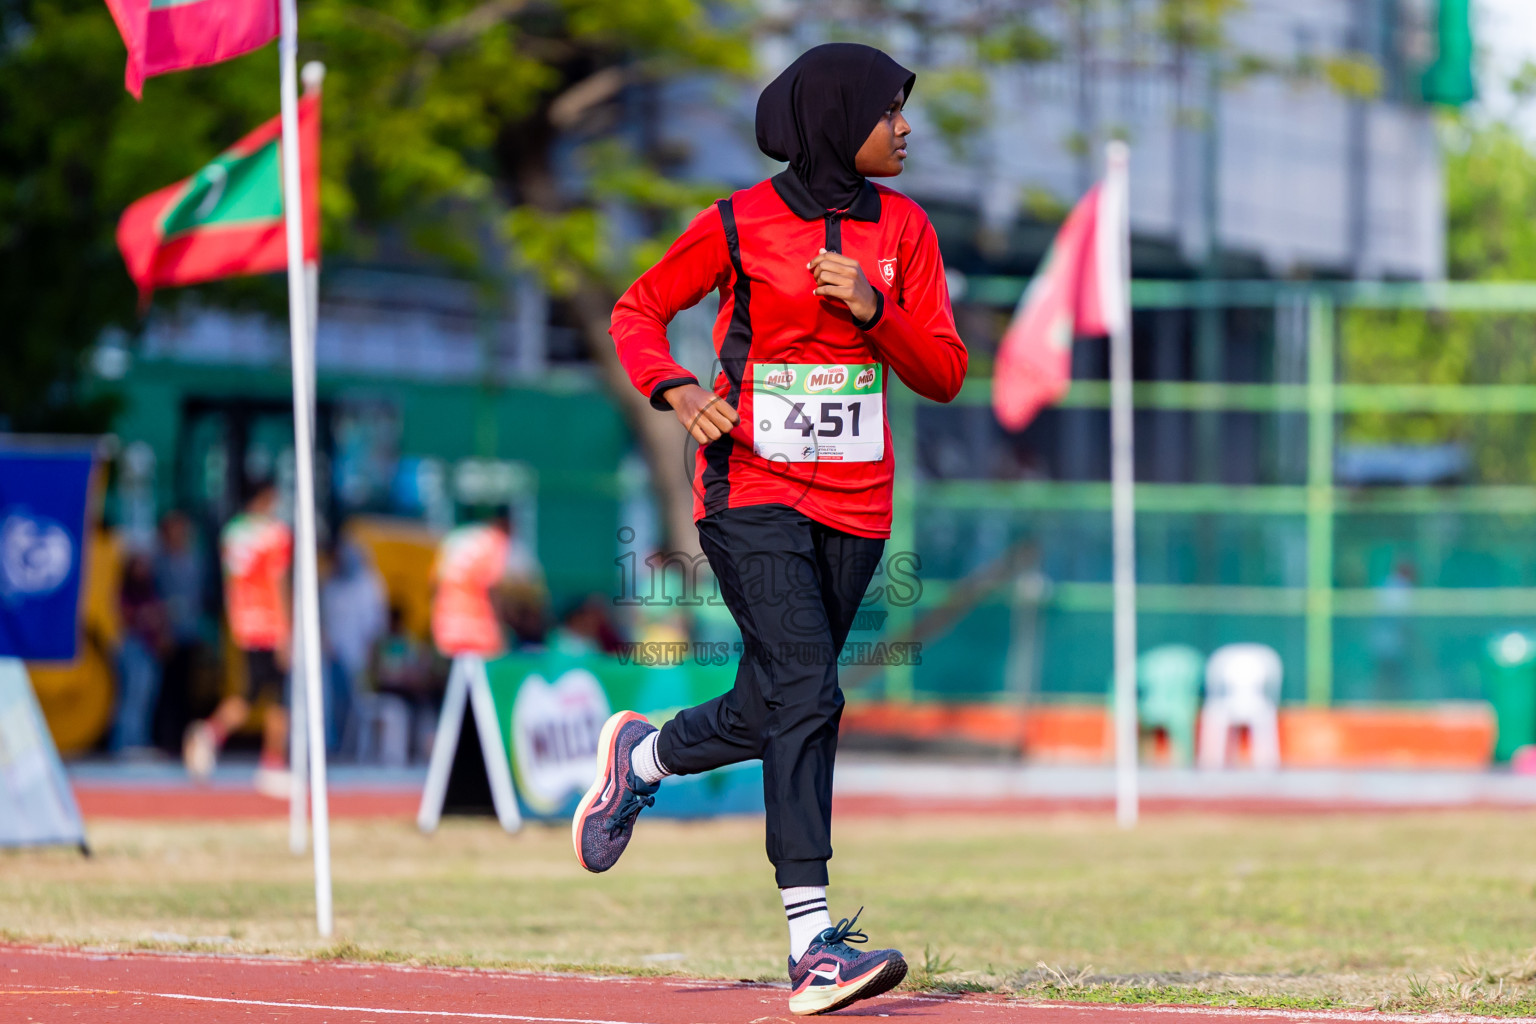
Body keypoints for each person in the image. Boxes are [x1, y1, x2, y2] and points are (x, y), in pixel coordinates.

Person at [577, 44, 966, 1017]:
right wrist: (674, 385)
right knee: (808, 692)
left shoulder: (906, 230)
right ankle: (812, 946)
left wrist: (877, 310)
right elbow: (639, 310)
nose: (906, 128)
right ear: (838, 119)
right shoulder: (738, 225)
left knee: (780, 700)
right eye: (891, 112)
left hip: (858, 507)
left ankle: (644, 757)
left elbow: (946, 370)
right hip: (748, 489)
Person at [183, 479, 293, 798]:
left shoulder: (232, 533)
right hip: (270, 624)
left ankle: (214, 735)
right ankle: (269, 763)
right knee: (274, 696)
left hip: (244, 622)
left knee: (257, 692)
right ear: (265, 497)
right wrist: (287, 629)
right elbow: (278, 582)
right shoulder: (274, 534)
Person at [321, 533, 388, 753]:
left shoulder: (368, 584)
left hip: (359, 656)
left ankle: (357, 749)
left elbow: (374, 625)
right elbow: (325, 620)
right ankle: (333, 745)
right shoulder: (330, 585)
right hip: (332, 655)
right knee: (332, 704)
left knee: (357, 705)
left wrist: (371, 656)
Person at [153, 510, 205, 754]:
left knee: (188, 690)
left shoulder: (194, 559)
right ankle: (166, 739)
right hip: (167, 634)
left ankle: (185, 741)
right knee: (167, 690)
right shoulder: (159, 561)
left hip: (190, 632)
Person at [110, 551, 169, 757]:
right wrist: (146, 617)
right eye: (138, 566)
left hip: (149, 648)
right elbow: (127, 617)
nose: (143, 571)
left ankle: (139, 742)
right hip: (133, 646)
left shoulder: (151, 591)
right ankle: (124, 744)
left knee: (145, 697)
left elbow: (159, 616)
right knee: (132, 697)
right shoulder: (126, 592)